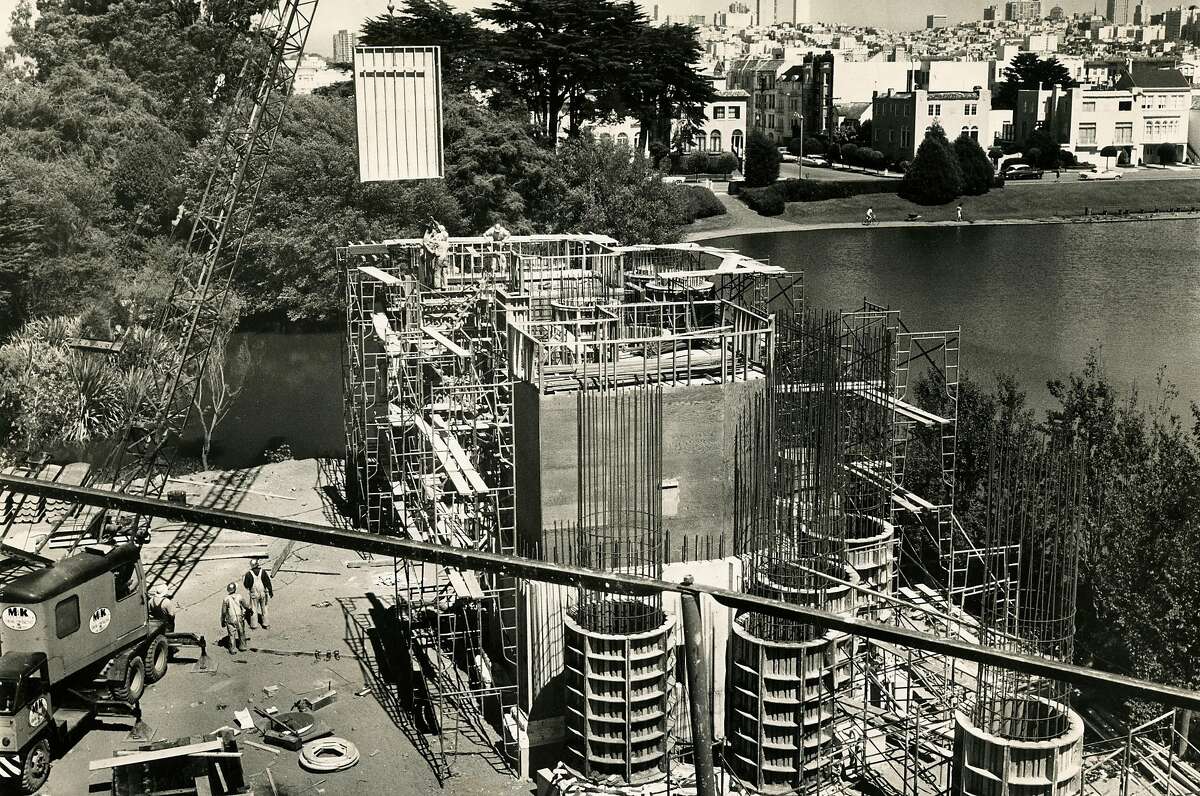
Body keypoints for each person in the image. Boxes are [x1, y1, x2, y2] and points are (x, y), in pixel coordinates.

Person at [243, 560, 274, 629]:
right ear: (257, 564)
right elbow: (268, 582)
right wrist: (270, 591)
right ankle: (266, 624)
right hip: (263, 593)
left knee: (254, 609)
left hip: (254, 594)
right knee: (264, 608)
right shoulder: (263, 572)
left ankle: (254, 625)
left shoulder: (248, 574)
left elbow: (246, 585)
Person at [220, 583, 246, 653]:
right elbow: (245, 605)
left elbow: (224, 612)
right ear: (235, 589)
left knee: (232, 634)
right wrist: (249, 610)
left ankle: (232, 649)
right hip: (239, 616)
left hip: (230, 618)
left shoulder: (226, 599)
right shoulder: (239, 596)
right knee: (241, 632)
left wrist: (222, 620)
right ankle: (242, 646)